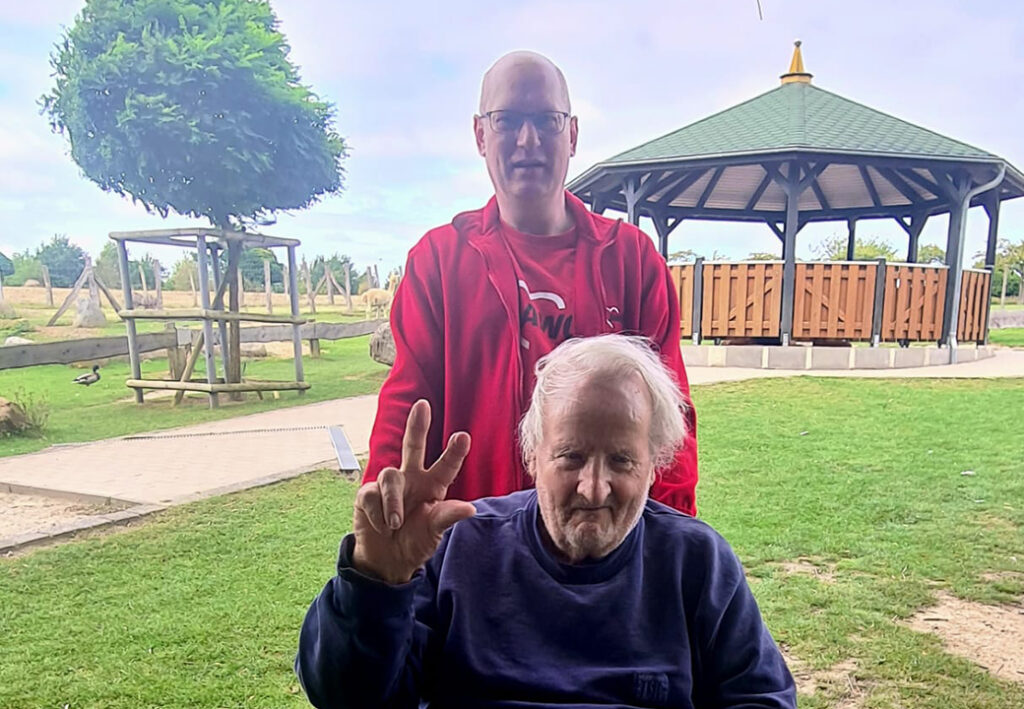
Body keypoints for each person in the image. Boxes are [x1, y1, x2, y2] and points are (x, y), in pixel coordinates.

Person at [297, 335, 795, 708]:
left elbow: (761, 698)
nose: (593, 489)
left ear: (655, 463)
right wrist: (374, 584)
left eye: (621, 461)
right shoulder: (457, 548)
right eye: (571, 456)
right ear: (533, 455)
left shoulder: (696, 562)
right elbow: (346, 698)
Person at [364, 50, 699, 516]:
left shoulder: (633, 262)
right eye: (507, 120)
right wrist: (386, 507)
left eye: (547, 120)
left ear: (573, 134)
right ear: (480, 134)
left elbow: (670, 423)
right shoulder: (439, 262)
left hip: (601, 546)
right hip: (475, 545)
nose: (528, 139)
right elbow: (408, 400)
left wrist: (670, 540)